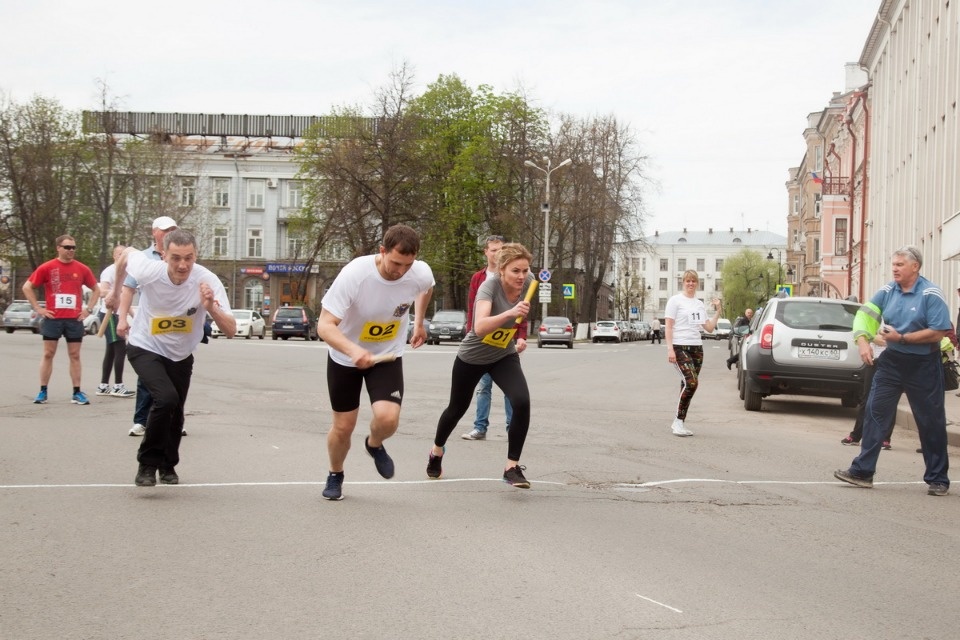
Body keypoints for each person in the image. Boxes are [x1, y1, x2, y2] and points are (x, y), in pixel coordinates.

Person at [316, 224, 434, 501]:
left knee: (388, 418)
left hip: (386, 355)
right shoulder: (355, 275)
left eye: (408, 264)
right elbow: (324, 325)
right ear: (382, 251)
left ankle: (374, 444)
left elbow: (426, 288)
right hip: (345, 358)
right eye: (395, 263)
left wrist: (418, 323)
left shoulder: (420, 272)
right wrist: (353, 351)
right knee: (343, 427)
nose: (401, 271)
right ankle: (336, 473)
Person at [113, 229, 236, 486]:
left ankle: (168, 466)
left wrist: (210, 306)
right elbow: (125, 255)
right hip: (145, 345)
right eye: (176, 258)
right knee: (165, 399)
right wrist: (115, 295)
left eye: (189, 258)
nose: (183, 265)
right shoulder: (148, 270)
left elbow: (231, 330)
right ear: (164, 255)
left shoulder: (207, 280)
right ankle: (147, 464)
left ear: (196, 255)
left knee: (176, 410)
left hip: (181, 354)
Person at [834, 245, 951, 496]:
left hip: (924, 365)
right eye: (893, 264)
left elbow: (939, 331)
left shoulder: (931, 294)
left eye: (900, 265)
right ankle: (862, 471)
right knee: (875, 412)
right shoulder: (888, 291)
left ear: (915, 267)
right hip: (892, 362)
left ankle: (938, 478)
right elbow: (865, 316)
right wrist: (863, 340)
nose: (894, 269)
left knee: (930, 421)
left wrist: (903, 337)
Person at [427, 243, 535, 488]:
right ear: (502, 270)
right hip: (473, 355)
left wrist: (520, 335)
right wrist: (510, 314)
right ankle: (436, 451)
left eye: (525, 270)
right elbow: (480, 326)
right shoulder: (489, 287)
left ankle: (511, 467)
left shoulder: (529, 282)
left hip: (502, 354)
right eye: (515, 271)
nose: (521, 276)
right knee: (457, 408)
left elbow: (523, 311)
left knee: (521, 401)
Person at [117, 216, 179, 436]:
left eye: (172, 229)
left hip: (175, 324)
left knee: (174, 373)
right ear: (154, 232)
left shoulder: (180, 256)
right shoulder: (142, 258)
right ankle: (142, 420)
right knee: (148, 375)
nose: (168, 233)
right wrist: (123, 319)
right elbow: (128, 289)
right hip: (149, 323)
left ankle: (173, 420)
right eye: (164, 230)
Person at [22, 235, 100, 405]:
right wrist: (38, 308)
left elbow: (96, 289)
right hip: (53, 318)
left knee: (75, 355)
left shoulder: (82, 269)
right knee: (48, 353)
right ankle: (43, 391)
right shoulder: (47, 267)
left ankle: (77, 392)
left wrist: (88, 310)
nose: (71, 250)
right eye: (67, 247)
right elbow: (27, 287)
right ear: (58, 248)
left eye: (73, 247)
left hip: (74, 319)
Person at [461, 235, 525, 441]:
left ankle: (510, 427)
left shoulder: (516, 276)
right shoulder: (479, 278)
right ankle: (480, 427)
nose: (497, 253)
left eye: (501, 250)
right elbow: (473, 309)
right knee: (483, 388)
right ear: (486, 253)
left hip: (505, 342)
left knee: (512, 390)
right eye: (493, 250)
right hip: (481, 341)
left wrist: (521, 336)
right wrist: (470, 334)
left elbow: (520, 308)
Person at [664, 270, 722, 437]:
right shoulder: (675, 301)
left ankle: (680, 422)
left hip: (697, 348)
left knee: (687, 385)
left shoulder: (699, 304)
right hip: (679, 346)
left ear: (697, 284)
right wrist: (670, 349)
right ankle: (677, 421)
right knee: (691, 383)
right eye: (688, 281)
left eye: (693, 281)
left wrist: (718, 311)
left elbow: (709, 328)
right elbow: (668, 326)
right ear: (683, 282)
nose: (690, 284)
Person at [840, 333, 895, 448]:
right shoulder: (875, 317)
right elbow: (867, 334)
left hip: (894, 360)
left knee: (890, 400)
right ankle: (856, 436)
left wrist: (895, 339)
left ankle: (885, 438)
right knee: (867, 398)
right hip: (874, 359)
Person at [95, 245, 135, 398]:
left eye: (124, 254)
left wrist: (133, 315)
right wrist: (115, 291)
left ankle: (103, 385)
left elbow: (126, 298)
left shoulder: (128, 273)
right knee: (120, 348)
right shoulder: (110, 271)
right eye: (119, 254)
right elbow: (102, 291)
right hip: (109, 314)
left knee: (111, 351)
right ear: (114, 256)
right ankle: (118, 385)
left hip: (118, 314)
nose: (122, 257)